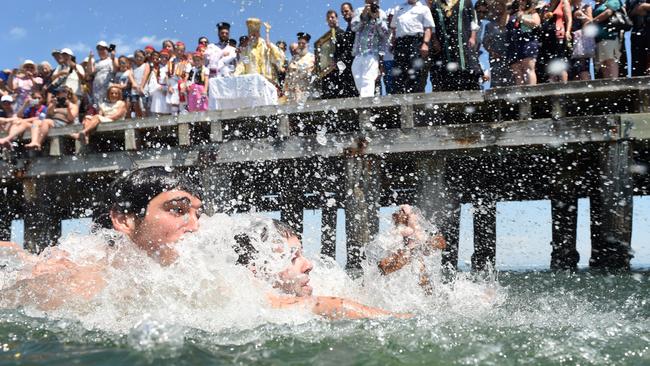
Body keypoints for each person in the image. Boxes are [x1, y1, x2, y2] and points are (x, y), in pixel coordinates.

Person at [0, 167, 204, 310]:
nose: (195, 227)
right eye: (177, 210)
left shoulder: (202, 279)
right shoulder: (79, 280)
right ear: (124, 220)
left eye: (198, 215)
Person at [232, 219, 410, 319]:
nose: (309, 265)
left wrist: (390, 266)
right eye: (294, 257)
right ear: (257, 268)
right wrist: (401, 318)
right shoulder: (252, 302)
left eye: (302, 255)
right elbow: (335, 305)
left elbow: (358, 294)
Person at [428, 0, 482, 91]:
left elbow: (473, 21)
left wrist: (473, 37)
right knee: (444, 71)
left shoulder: (465, 2)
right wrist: (435, 40)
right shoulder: (436, 4)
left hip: (463, 39)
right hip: (444, 42)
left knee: (468, 66)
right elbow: (432, 25)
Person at [391, 0, 437, 94]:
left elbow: (428, 28)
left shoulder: (424, 8)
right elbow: (393, 27)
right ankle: (400, 100)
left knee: (416, 72)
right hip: (401, 42)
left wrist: (425, 43)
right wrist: (393, 42)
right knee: (399, 72)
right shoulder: (398, 8)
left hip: (416, 41)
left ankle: (415, 100)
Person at [351, 0, 390, 97]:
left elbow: (385, 34)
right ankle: (366, 99)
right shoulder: (359, 11)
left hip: (372, 52)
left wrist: (377, 18)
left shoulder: (382, 13)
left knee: (367, 78)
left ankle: (366, 104)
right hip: (358, 52)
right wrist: (363, 16)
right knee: (357, 76)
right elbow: (354, 28)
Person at [317, 9, 359, 99]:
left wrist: (338, 61)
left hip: (341, 70)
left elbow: (347, 51)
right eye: (328, 18)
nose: (330, 19)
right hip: (329, 72)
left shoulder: (342, 33)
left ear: (337, 18)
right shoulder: (325, 39)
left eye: (332, 17)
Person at [24, 86, 78, 151]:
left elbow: (70, 119)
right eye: (58, 93)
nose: (59, 94)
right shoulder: (54, 102)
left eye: (61, 92)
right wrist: (53, 105)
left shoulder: (73, 105)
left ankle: (38, 143)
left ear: (68, 94)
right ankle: (34, 141)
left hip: (64, 123)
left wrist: (68, 107)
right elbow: (48, 114)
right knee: (35, 122)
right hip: (52, 121)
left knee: (45, 122)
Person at [234, 18, 286, 82]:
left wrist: (271, 47)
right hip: (252, 81)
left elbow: (279, 56)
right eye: (250, 35)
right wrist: (235, 75)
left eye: (254, 34)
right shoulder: (246, 51)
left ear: (258, 33)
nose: (252, 37)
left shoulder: (266, 46)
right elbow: (243, 64)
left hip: (266, 81)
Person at [507, 0, 542, 85]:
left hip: (527, 42)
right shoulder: (511, 13)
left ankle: (531, 92)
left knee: (528, 68)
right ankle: (521, 95)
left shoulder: (531, 12)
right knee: (517, 72)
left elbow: (536, 23)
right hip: (513, 44)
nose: (521, 2)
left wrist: (522, 17)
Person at [538, 0, 573, 82]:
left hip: (559, 35)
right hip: (547, 38)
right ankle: (552, 81)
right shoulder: (547, 5)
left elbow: (569, 19)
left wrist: (568, 31)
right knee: (550, 61)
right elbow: (542, 20)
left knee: (560, 59)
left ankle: (564, 85)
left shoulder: (563, 2)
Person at [483, 0, 513, 87]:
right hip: (495, 55)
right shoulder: (490, 24)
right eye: (496, 6)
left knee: (510, 80)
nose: (498, 8)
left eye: (500, 6)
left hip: (509, 55)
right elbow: (485, 42)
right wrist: (492, 52)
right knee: (496, 81)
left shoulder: (510, 21)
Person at [592, 0, 624, 79]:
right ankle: (607, 84)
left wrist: (593, 21)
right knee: (603, 62)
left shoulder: (613, 1)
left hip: (610, 36)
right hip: (600, 38)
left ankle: (614, 81)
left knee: (611, 59)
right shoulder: (600, 4)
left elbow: (608, 12)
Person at [283, 33, 316, 103]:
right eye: (299, 43)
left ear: (307, 45)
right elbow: (287, 76)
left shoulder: (312, 57)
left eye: (303, 43)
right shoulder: (293, 59)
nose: (301, 45)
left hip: (306, 91)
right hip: (292, 94)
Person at [87, 41, 118, 108]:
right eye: (99, 49)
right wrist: (90, 58)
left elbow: (116, 69)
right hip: (97, 90)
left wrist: (113, 57)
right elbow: (90, 72)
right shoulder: (96, 62)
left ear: (107, 50)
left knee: (109, 107)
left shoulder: (111, 60)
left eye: (103, 49)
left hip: (108, 89)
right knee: (98, 107)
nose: (101, 51)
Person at [569, 0, 594, 80]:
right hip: (570, 38)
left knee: (582, 66)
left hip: (581, 40)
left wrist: (582, 15)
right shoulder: (568, 5)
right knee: (572, 67)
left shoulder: (585, 6)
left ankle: (586, 87)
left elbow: (590, 21)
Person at [628, 0, 650, 76]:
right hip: (637, 31)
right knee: (637, 61)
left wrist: (644, 6)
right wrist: (634, 11)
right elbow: (625, 14)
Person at [149, 50, 172, 115]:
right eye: (162, 57)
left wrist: (168, 88)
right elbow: (153, 81)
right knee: (158, 112)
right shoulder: (156, 69)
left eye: (166, 57)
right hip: (159, 91)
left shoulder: (171, 67)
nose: (164, 59)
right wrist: (160, 87)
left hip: (168, 91)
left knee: (169, 113)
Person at [129, 50, 151, 118]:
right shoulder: (133, 66)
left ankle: (146, 123)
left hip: (143, 89)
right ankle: (139, 122)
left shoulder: (146, 65)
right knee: (136, 106)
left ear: (144, 57)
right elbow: (130, 75)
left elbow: (145, 75)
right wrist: (133, 83)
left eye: (141, 57)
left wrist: (141, 87)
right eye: (137, 56)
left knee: (145, 107)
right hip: (135, 90)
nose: (139, 58)